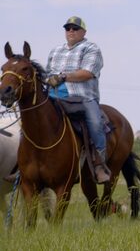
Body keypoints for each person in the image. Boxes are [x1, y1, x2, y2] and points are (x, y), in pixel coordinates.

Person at [44, 16, 111, 183]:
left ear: (84, 32)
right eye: (68, 28)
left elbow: (87, 73)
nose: (71, 31)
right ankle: (21, 163)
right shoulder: (55, 50)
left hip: (82, 96)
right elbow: (47, 73)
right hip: (53, 94)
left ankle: (99, 164)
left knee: (95, 124)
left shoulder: (91, 48)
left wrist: (62, 77)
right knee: (30, 118)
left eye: (75, 28)